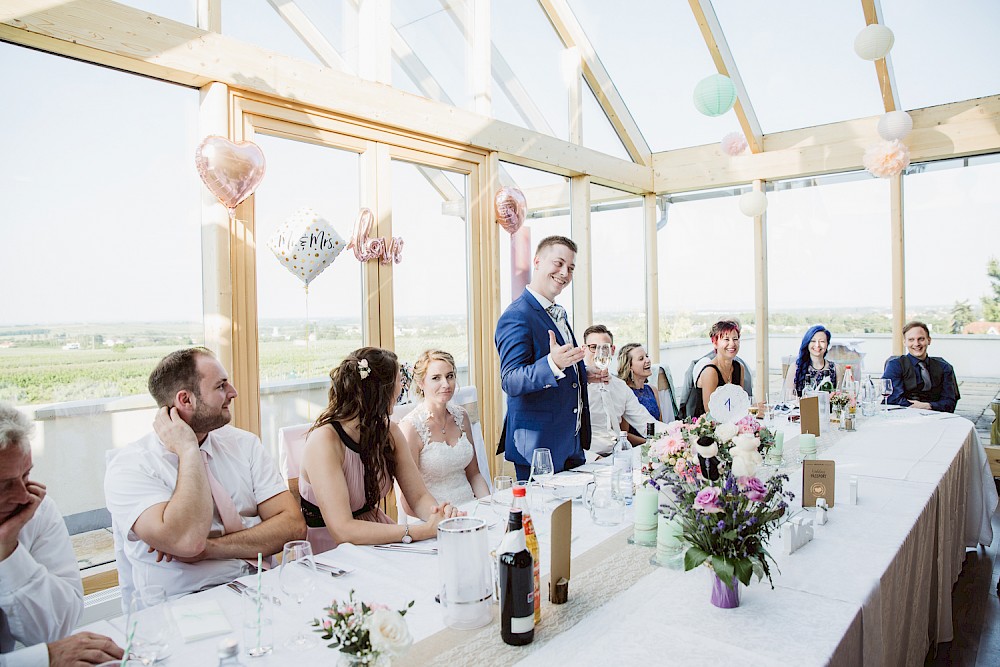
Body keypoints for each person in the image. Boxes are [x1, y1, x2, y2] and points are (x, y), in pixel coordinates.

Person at [105, 348, 306, 602]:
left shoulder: (244, 444)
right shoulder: (131, 466)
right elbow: (188, 541)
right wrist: (188, 450)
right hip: (183, 601)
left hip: (263, 586)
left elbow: (293, 526)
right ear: (185, 400)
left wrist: (210, 548)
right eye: (221, 386)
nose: (233, 393)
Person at [299, 348, 461, 553]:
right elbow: (343, 530)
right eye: (397, 381)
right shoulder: (324, 441)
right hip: (330, 549)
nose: (401, 388)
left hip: (378, 535)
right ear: (380, 391)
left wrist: (439, 516)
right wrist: (422, 531)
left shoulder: (390, 432)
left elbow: (418, 496)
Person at [0, 402, 123, 667]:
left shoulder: (36, 509)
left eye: (26, 474)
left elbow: (56, 627)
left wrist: (8, 552)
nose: (23, 495)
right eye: (4, 485)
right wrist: (43, 658)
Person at [495, 236, 598, 481]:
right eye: (559, 263)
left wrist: (583, 374)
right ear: (538, 262)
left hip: (570, 443)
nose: (565, 273)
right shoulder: (517, 315)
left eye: (571, 268)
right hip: (538, 449)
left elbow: (564, 368)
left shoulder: (556, 312)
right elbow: (510, 380)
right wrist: (552, 364)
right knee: (540, 519)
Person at [398, 350, 489, 516]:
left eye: (450, 376)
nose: (446, 384)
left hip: (471, 511)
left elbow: (474, 475)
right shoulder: (410, 428)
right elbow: (408, 500)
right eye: (436, 378)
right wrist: (443, 517)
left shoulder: (462, 416)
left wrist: (489, 506)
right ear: (420, 383)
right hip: (432, 518)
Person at [583, 327, 664, 455]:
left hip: (619, 455)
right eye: (593, 347)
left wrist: (679, 432)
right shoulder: (575, 388)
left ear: (612, 350)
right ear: (584, 350)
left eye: (604, 348)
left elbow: (645, 421)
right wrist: (592, 458)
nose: (599, 353)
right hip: (587, 459)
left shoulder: (621, 387)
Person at [884, 321, 958, 413]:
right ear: (904, 342)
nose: (916, 344)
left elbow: (950, 403)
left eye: (921, 339)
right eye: (911, 340)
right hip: (903, 416)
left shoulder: (944, 367)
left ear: (929, 340)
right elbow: (892, 400)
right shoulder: (895, 365)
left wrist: (927, 406)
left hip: (936, 417)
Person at [691, 320, 744, 419]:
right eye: (726, 339)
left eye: (735, 339)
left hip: (731, 423)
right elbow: (710, 414)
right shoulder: (710, 371)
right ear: (715, 343)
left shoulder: (739, 368)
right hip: (707, 427)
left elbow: (740, 403)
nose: (732, 344)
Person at [786, 325, 838, 397]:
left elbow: (839, 396)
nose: (817, 345)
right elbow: (788, 397)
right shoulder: (795, 367)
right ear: (807, 343)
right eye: (813, 341)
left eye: (822, 341)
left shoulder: (835, 368)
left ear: (827, 344)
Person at [618, 343, 662, 423]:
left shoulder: (653, 390)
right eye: (641, 359)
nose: (648, 360)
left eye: (647, 356)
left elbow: (660, 422)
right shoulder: (624, 393)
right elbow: (625, 433)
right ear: (629, 366)